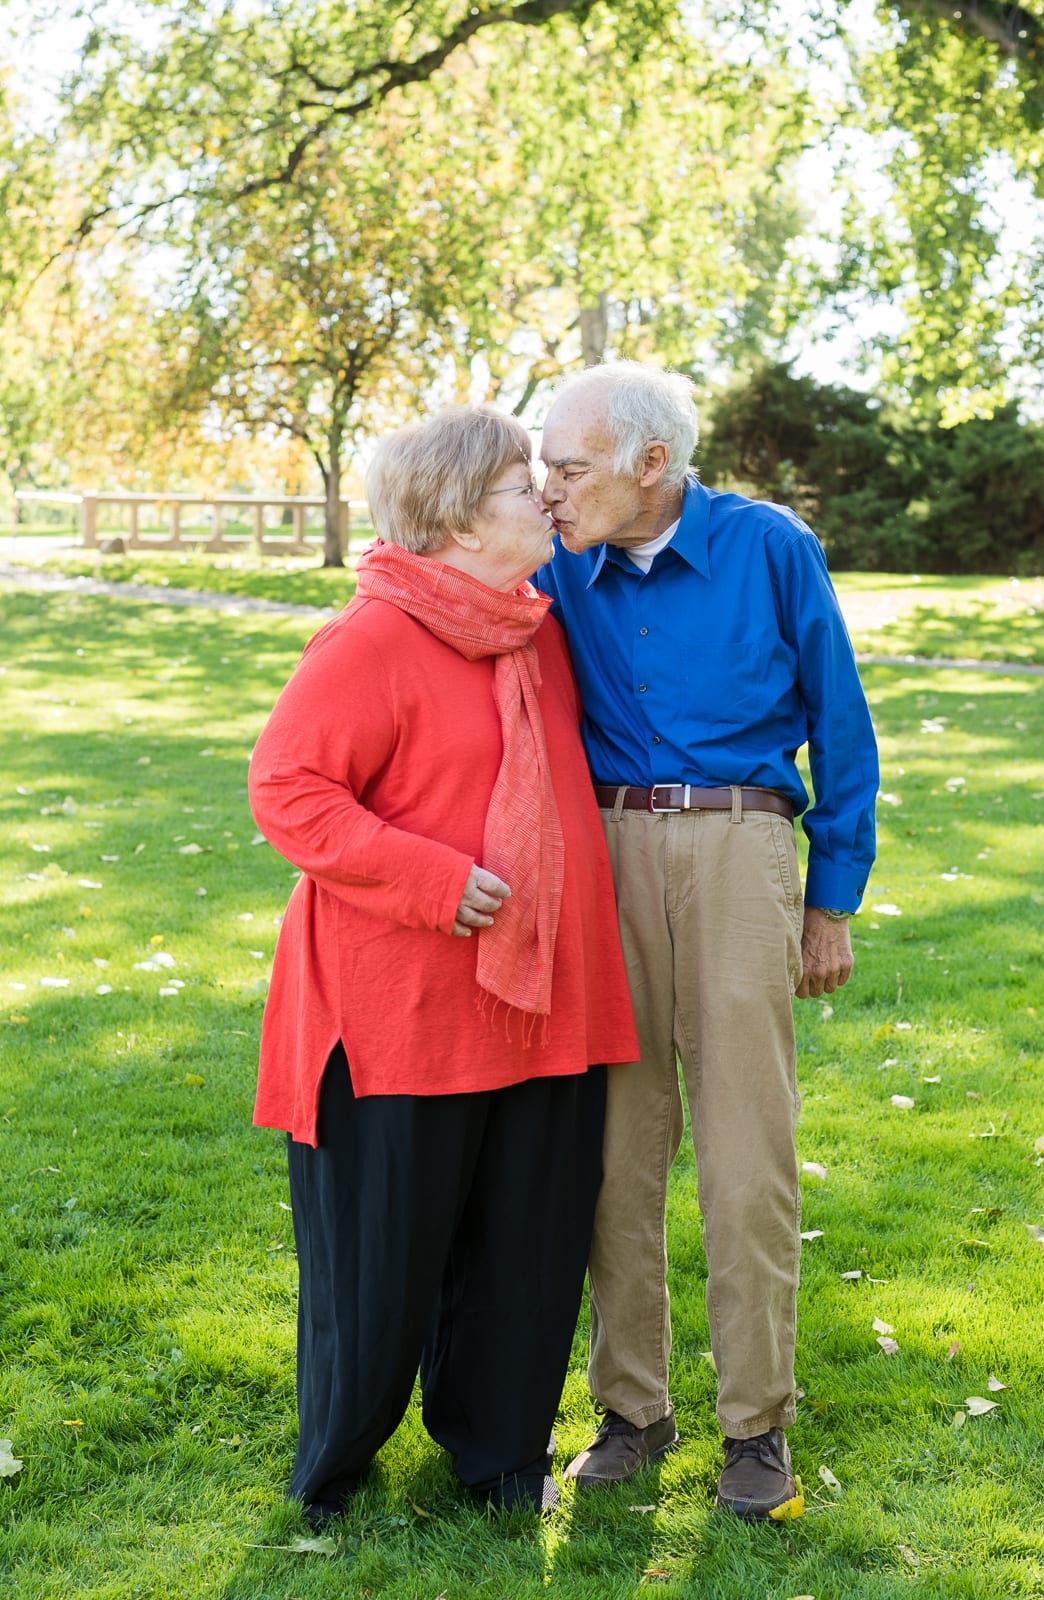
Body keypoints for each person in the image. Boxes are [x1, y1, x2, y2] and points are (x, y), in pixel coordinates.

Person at [248, 404, 638, 1524]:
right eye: (527, 486)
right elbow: (287, 790)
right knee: (379, 1263)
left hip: (543, 1001)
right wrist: (427, 876)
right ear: (464, 517)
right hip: (398, 1009)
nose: (547, 499)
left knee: (527, 1245)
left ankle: (498, 1452)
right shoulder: (369, 639)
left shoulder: (538, 626)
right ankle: (340, 1456)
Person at [533, 361, 878, 1521]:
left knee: (745, 1152)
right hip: (608, 855)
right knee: (616, 1147)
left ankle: (756, 1426)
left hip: (743, 849)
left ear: (651, 462)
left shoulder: (771, 548)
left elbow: (841, 720)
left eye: (568, 464)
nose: (549, 485)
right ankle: (632, 1409)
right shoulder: (557, 562)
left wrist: (830, 899)